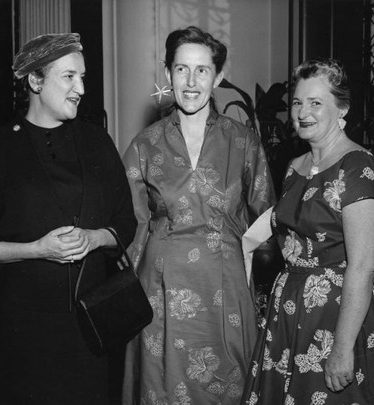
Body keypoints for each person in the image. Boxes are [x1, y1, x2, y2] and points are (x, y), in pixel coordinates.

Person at [0, 33, 137, 404]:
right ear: (35, 81)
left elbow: (126, 222)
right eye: (69, 77)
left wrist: (95, 237)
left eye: (82, 77)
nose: (81, 88)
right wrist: (36, 249)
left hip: (91, 332)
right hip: (23, 335)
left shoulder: (97, 141)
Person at [240, 58, 374, 404]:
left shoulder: (359, 167)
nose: (303, 112)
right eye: (298, 102)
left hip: (337, 317)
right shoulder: (293, 167)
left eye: (316, 103)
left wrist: (343, 348)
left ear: (341, 108)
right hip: (289, 312)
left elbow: (363, 266)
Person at [121, 26, 275, 404]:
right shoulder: (145, 144)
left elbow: (268, 220)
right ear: (168, 72)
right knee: (160, 386)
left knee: (228, 384)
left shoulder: (243, 141)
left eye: (202, 70)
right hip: (159, 291)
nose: (191, 82)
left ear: (218, 76)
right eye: (181, 69)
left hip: (226, 291)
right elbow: (130, 226)